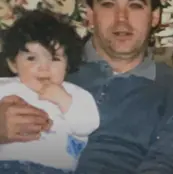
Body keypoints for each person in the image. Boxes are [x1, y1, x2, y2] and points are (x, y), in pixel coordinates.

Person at [0, 0, 173, 173]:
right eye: (108, 4)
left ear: (155, 16)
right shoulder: (36, 64)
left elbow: (170, 165)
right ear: (90, 15)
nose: (121, 19)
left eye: (135, 5)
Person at [0, 10, 99, 172]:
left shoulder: (73, 94)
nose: (44, 67)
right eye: (32, 58)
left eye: (55, 59)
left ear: (67, 65)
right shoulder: (5, 87)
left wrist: (64, 100)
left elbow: (89, 124)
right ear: (12, 63)